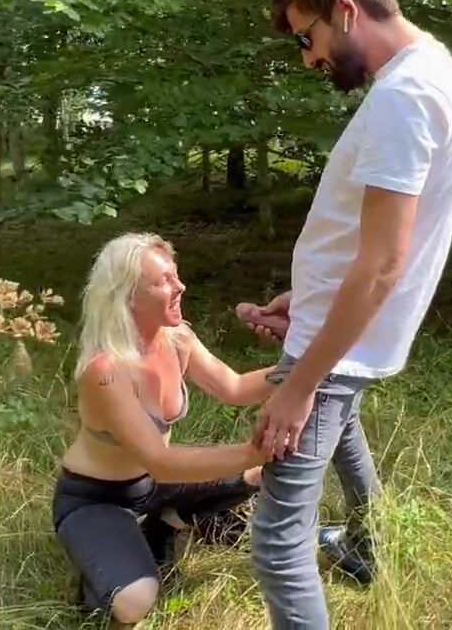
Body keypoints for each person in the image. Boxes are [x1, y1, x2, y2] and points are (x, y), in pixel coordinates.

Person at [237, 0, 452, 629]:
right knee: (344, 435)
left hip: (338, 349)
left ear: (344, 10)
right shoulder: (431, 69)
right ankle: (367, 549)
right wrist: (309, 298)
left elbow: (382, 265)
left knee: (278, 541)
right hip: (342, 330)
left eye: (305, 37)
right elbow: (372, 245)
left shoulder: (406, 97)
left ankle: (358, 551)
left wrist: (299, 385)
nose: (307, 57)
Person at [52, 232, 278, 626]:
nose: (180, 286)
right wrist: (252, 450)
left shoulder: (177, 339)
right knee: (134, 603)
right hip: (97, 498)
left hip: (155, 485)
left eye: (176, 275)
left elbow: (236, 387)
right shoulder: (105, 371)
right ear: (127, 295)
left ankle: (163, 523)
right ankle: (98, 571)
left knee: (258, 476)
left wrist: (303, 366)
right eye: (164, 281)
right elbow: (161, 461)